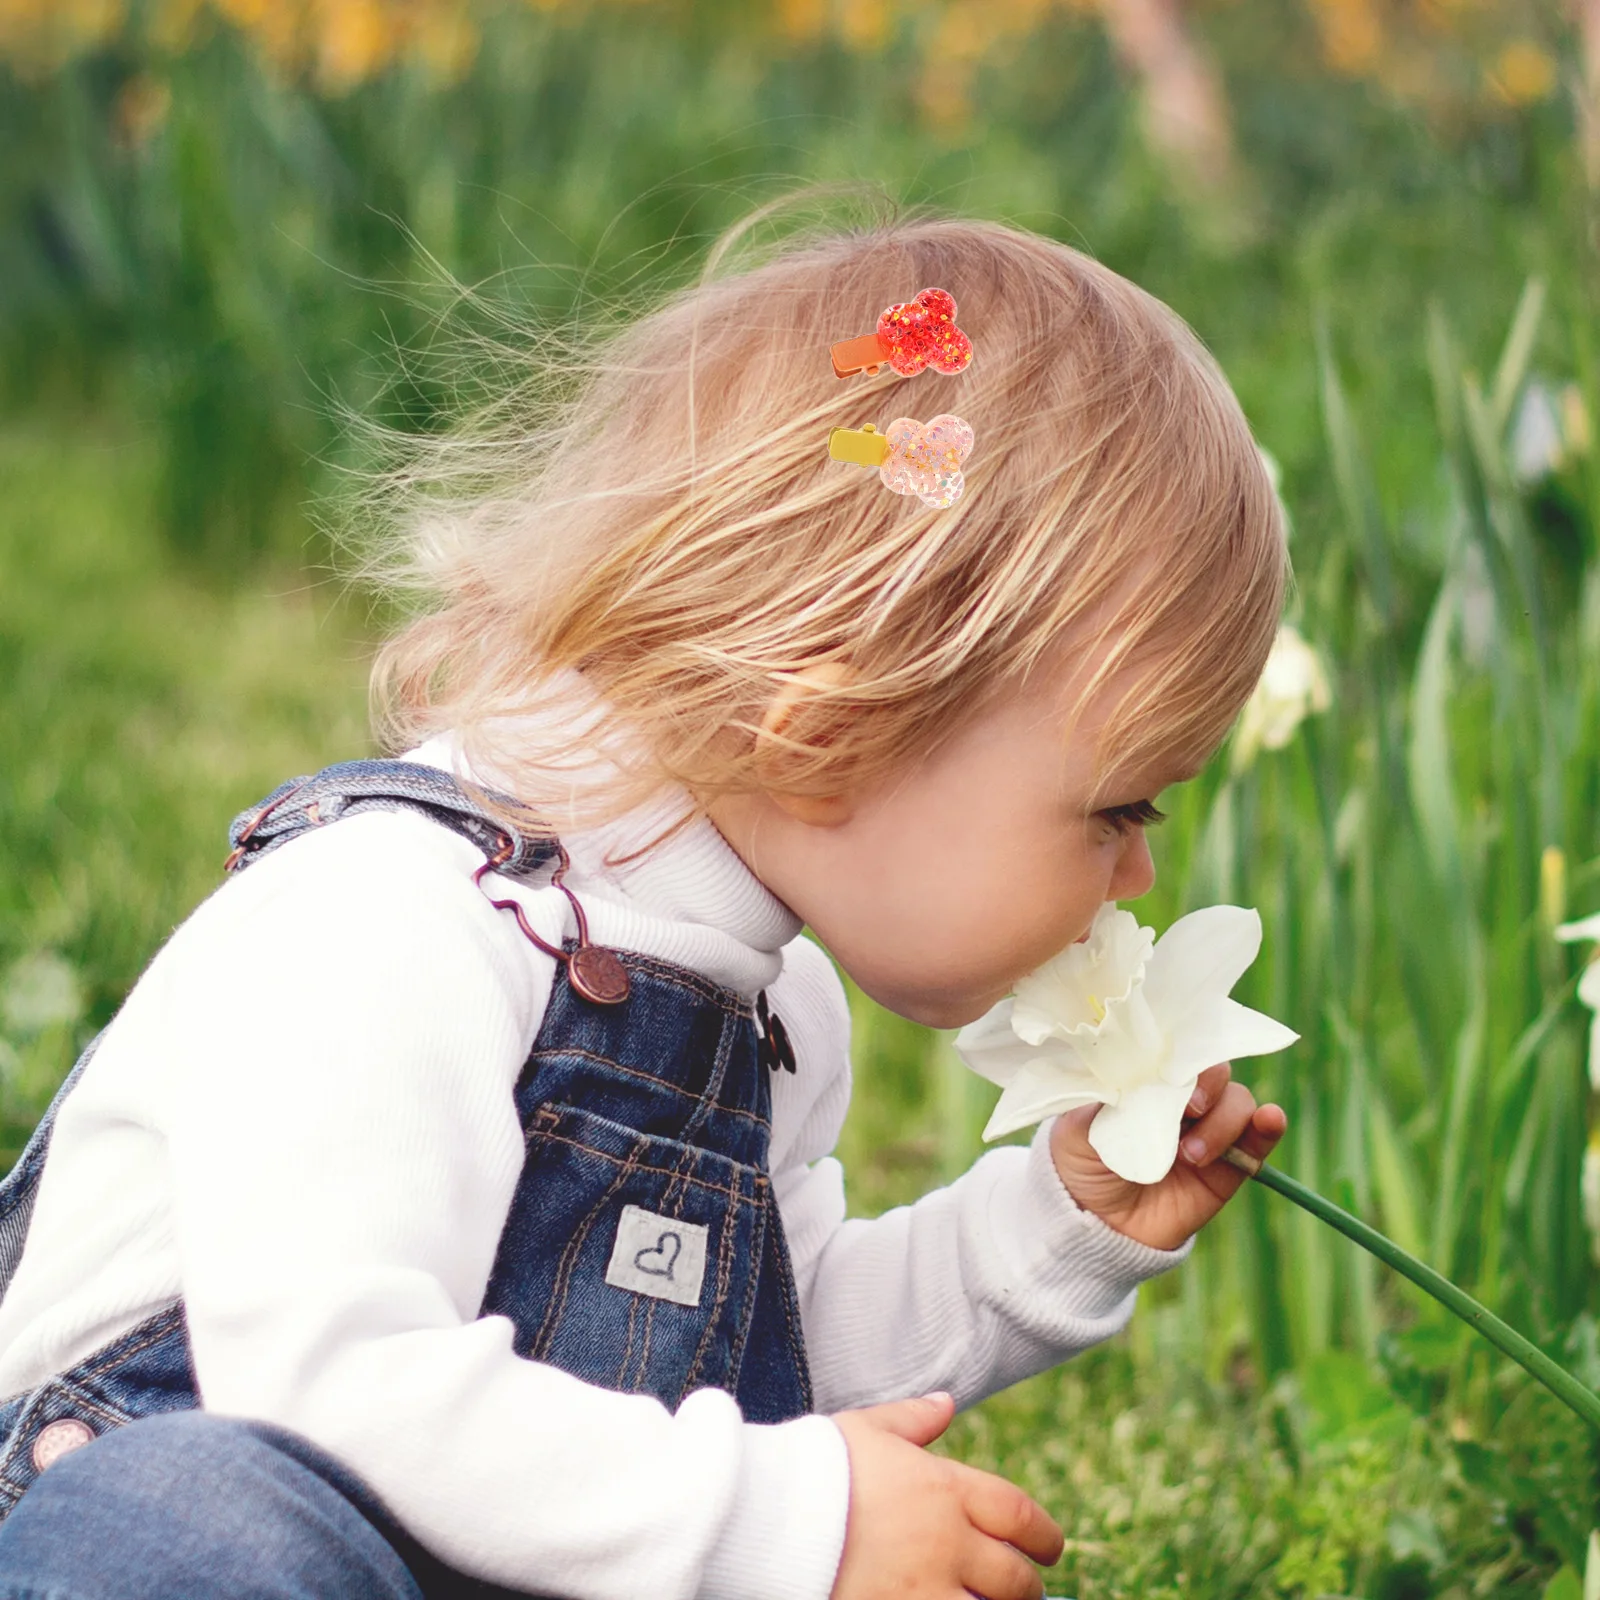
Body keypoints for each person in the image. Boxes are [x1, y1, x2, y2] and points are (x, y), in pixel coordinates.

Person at [0, 212, 1289, 1600]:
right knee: (197, 1519)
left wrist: (1044, 1228)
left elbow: (750, 1371)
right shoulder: (397, 919)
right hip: (171, 1522)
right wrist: (786, 1528)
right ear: (828, 736)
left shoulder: (769, 1009)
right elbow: (326, 1383)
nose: (1139, 876)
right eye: (1117, 812)